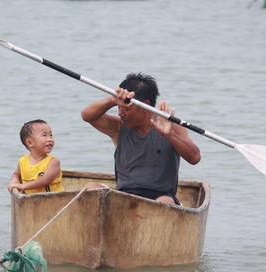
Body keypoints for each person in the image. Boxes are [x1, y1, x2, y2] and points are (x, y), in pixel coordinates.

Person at [81, 73, 200, 205]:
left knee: (164, 202)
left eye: (126, 108)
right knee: (90, 188)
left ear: (145, 106)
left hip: (160, 196)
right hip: (123, 195)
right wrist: (113, 100)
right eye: (119, 107)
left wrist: (169, 135)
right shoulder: (118, 127)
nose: (120, 112)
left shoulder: (169, 125)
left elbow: (195, 157)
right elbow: (87, 116)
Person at [7, 119, 64, 194]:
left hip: (54, 202)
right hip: (31, 202)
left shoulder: (53, 161)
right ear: (30, 142)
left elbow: (44, 180)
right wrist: (14, 182)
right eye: (44, 135)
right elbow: (16, 174)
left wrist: (22, 186)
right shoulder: (22, 161)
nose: (50, 139)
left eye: (50, 135)